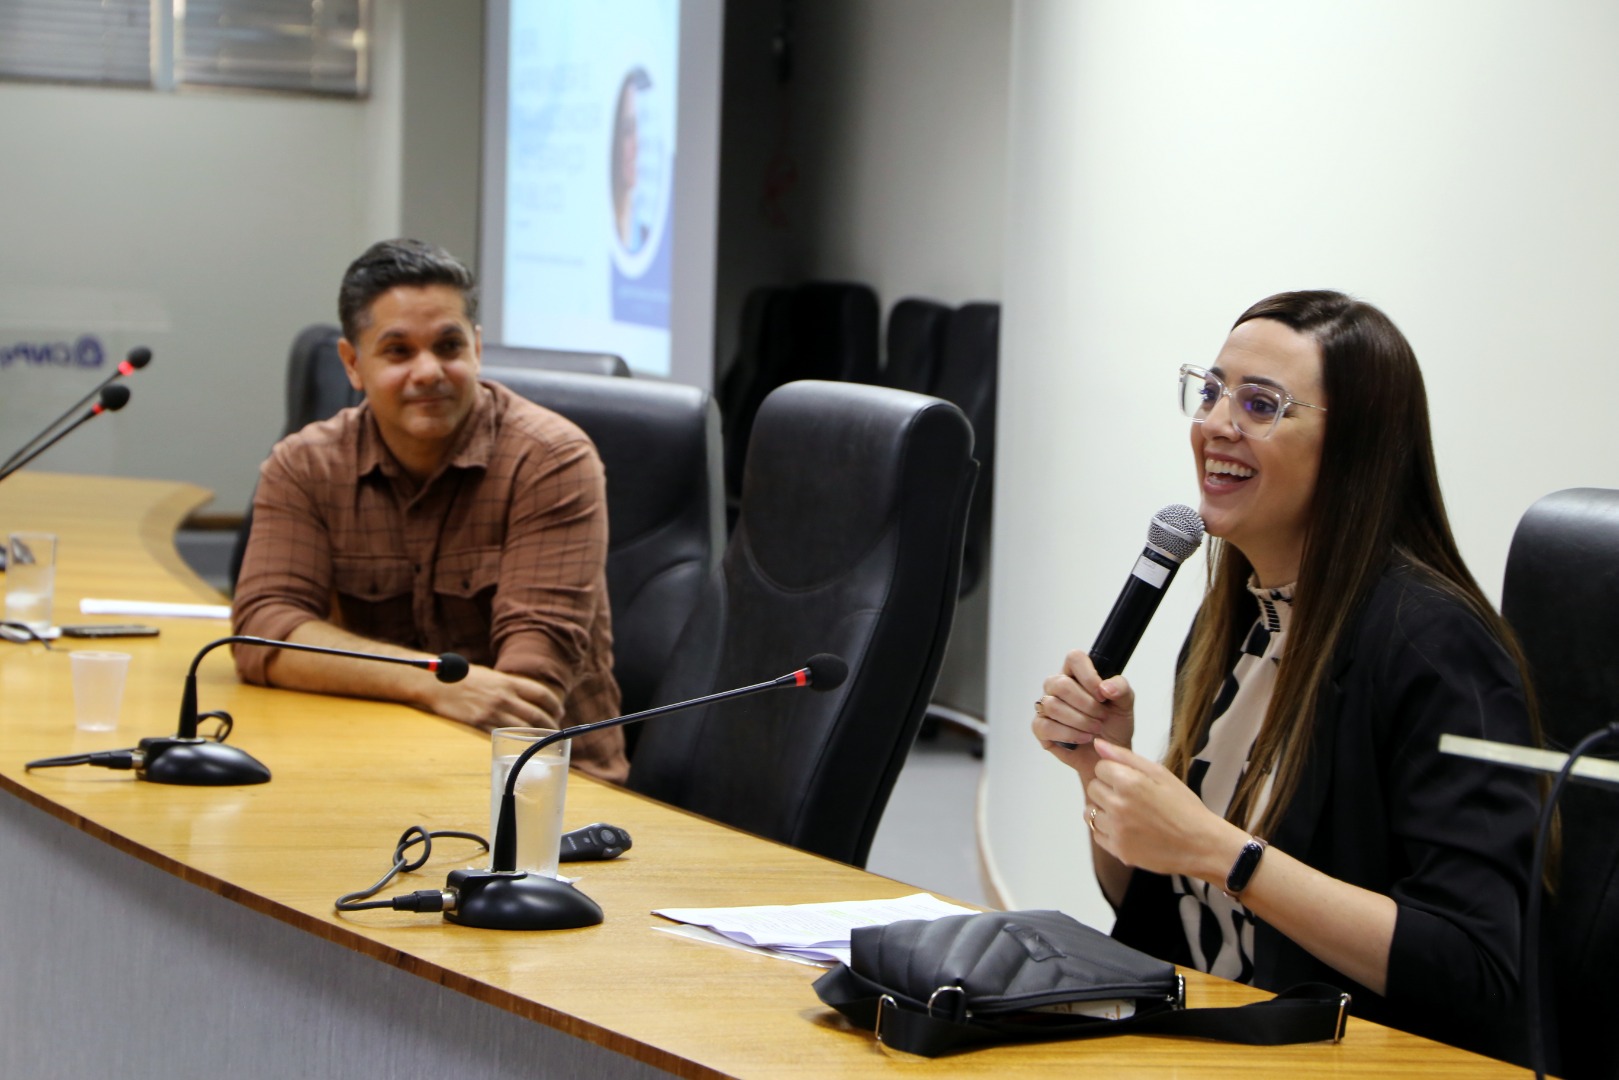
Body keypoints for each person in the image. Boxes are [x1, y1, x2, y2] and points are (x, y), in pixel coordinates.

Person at [1030, 291, 1544, 1063]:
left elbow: (1473, 967)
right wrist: (1101, 769)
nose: (1215, 424)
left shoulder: (1434, 647)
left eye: (1260, 404)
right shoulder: (1234, 620)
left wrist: (1223, 853)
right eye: (1210, 391)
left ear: (1354, 448)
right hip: (1214, 1039)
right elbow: (1168, 914)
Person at [232, 239, 627, 782]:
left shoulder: (551, 460)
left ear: (477, 349)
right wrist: (428, 680)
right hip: (379, 769)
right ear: (353, 364)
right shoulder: (305, 466)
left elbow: (526, 691)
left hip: (546, 784)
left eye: (448, 346)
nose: (428, 371)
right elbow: (262, 632)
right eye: (398, 351)